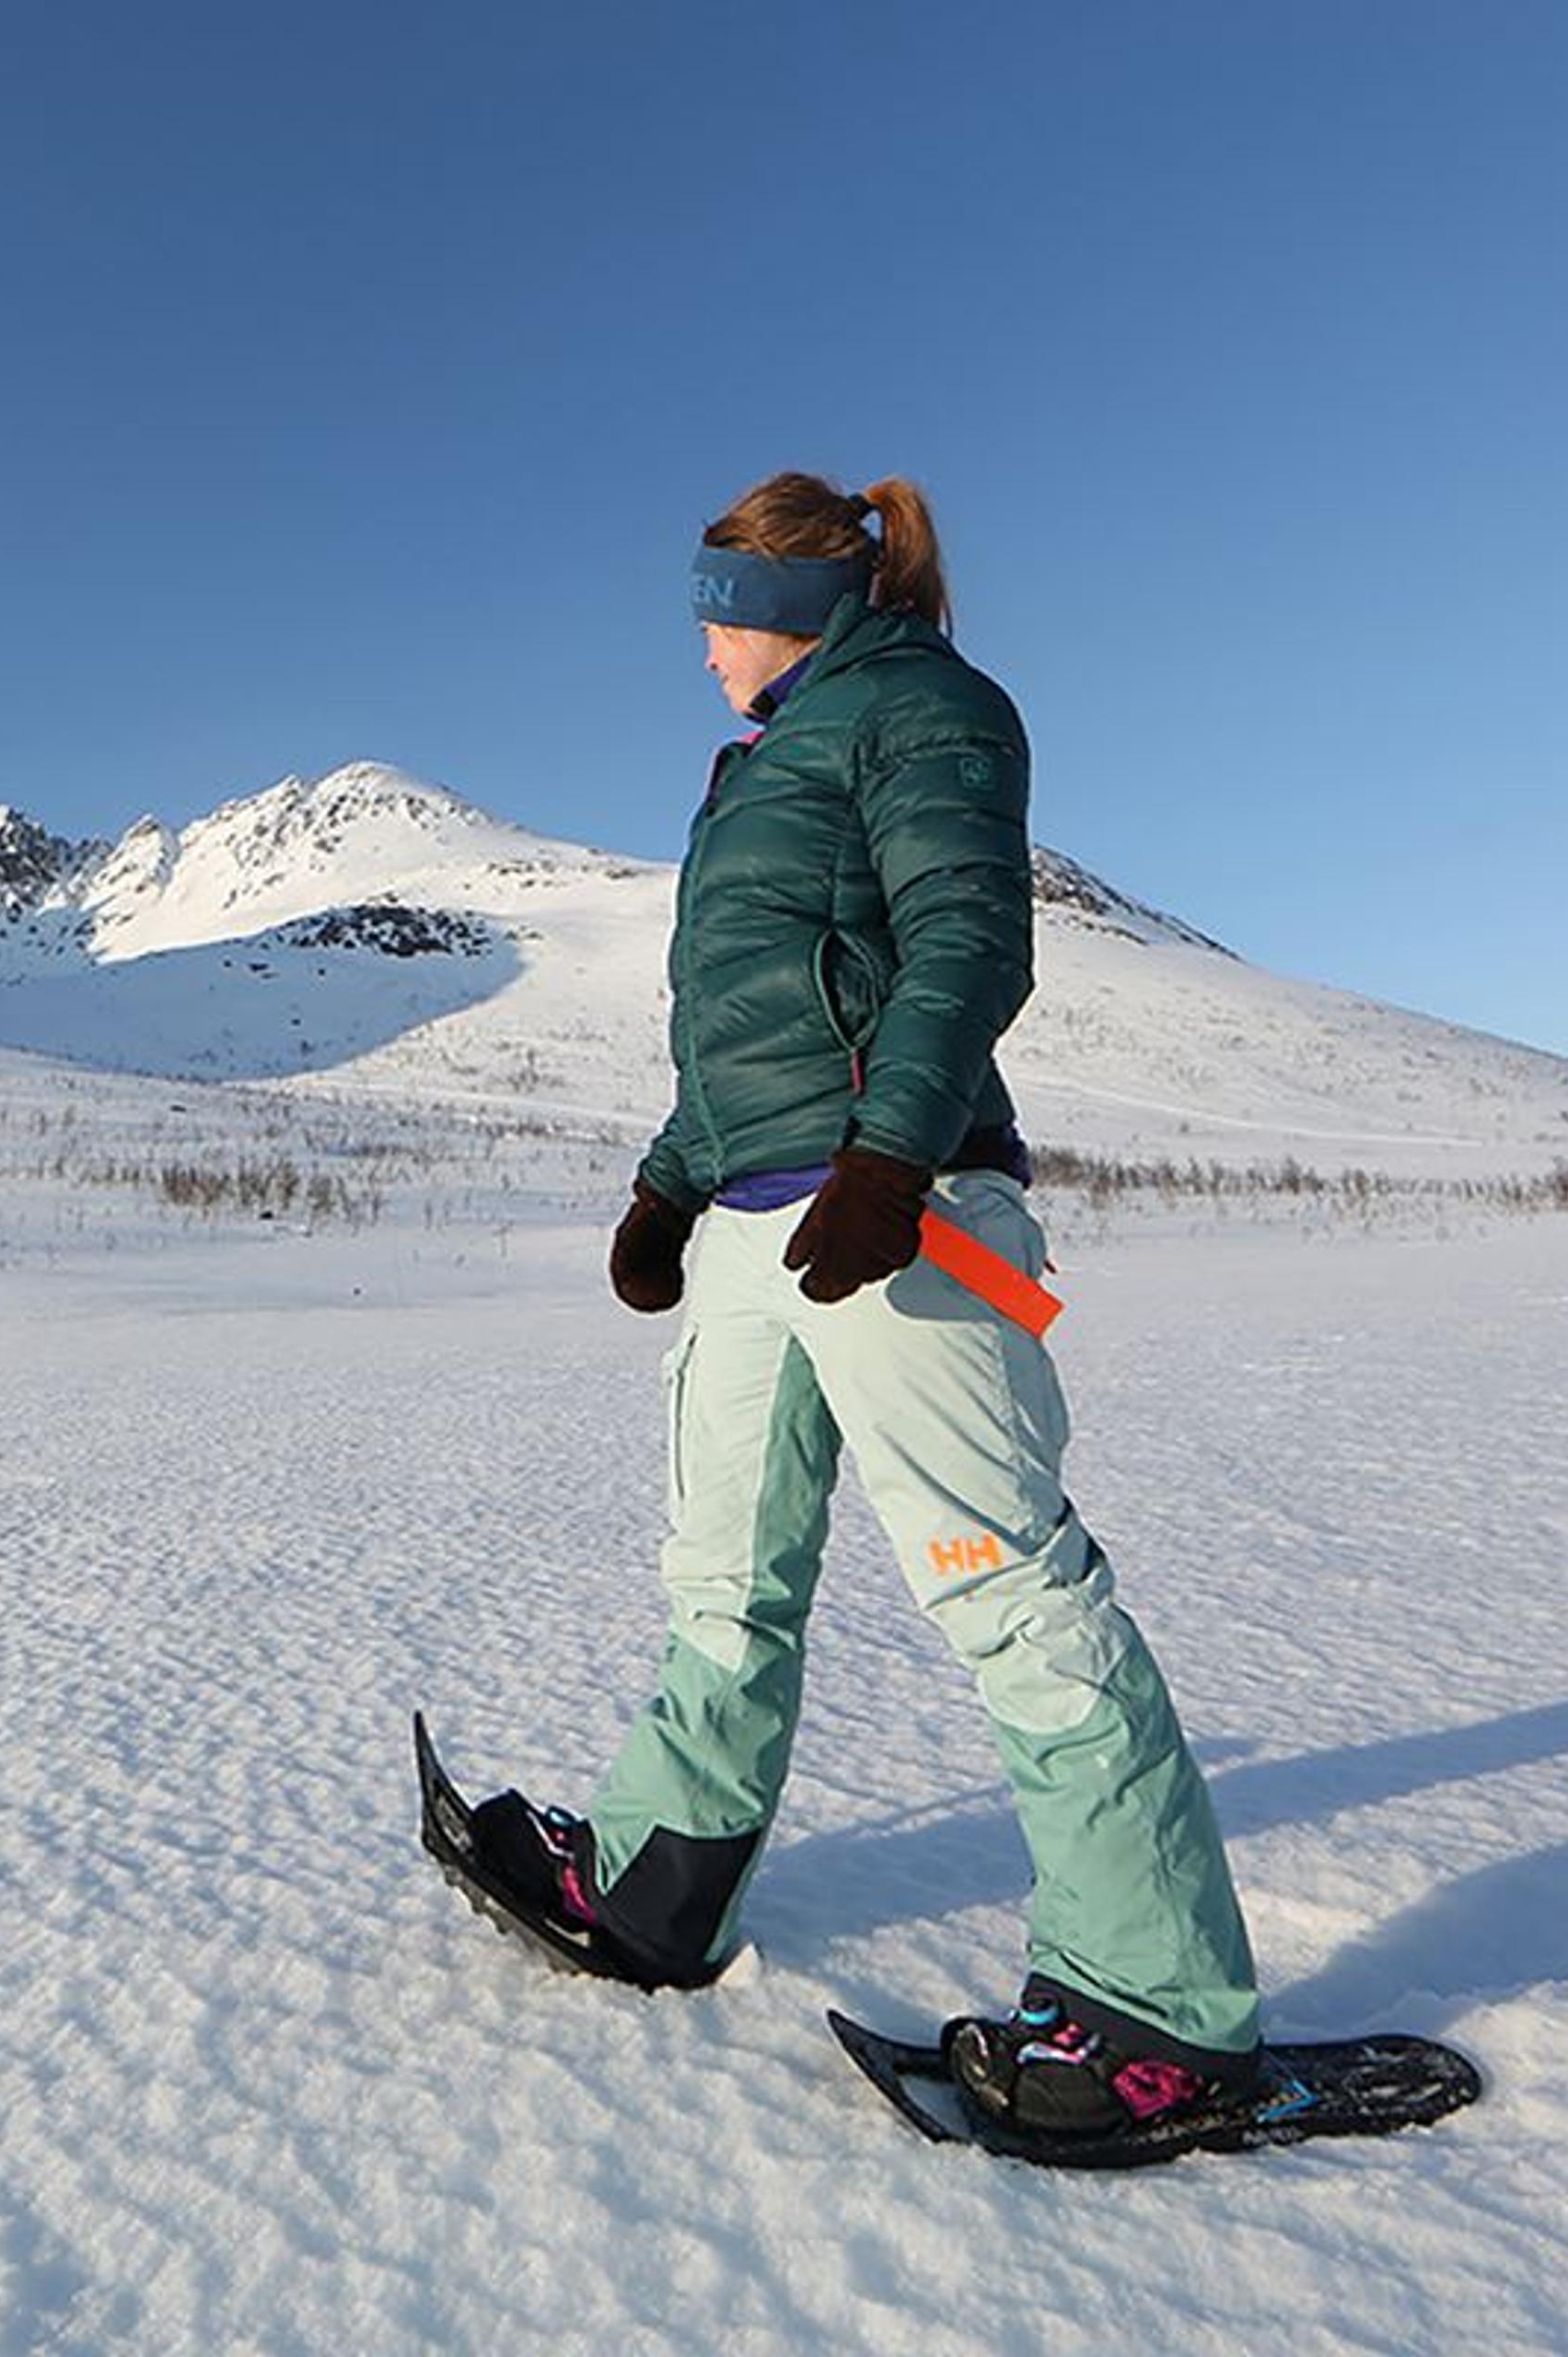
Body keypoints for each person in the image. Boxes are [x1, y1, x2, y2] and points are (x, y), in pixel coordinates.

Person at [462, 470, 1264, 2134]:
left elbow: (966, 941)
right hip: (762, 1227)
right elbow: (745, 1025)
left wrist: (893, 1156)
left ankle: (1157, 2011)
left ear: (796, 604)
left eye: (713, 618)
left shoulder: (926, 708)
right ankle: (658, 1889)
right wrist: (669, 1183)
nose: (700, 656)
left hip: (906, 1217)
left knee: (1014, 1596)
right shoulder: (753, 768)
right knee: (724, 1580)